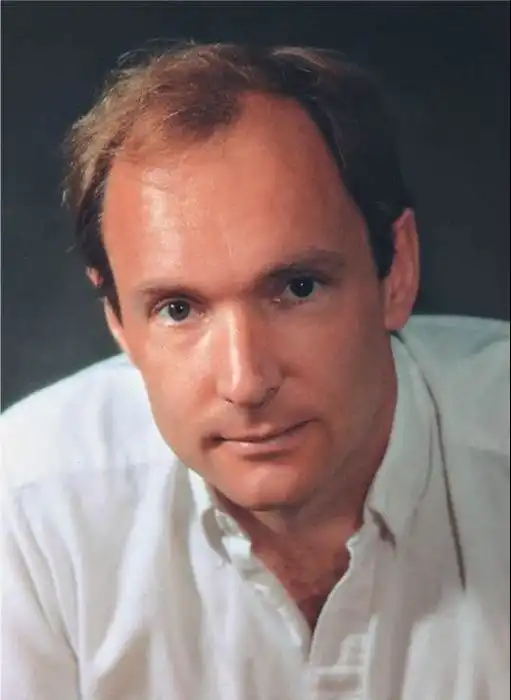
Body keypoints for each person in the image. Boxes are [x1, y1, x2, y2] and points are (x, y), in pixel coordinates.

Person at [1, 41, 509, 700]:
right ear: (119, 322)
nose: (245, 382)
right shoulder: (28, 509)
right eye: (178, 309)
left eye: (298, 288)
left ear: (397, 270)